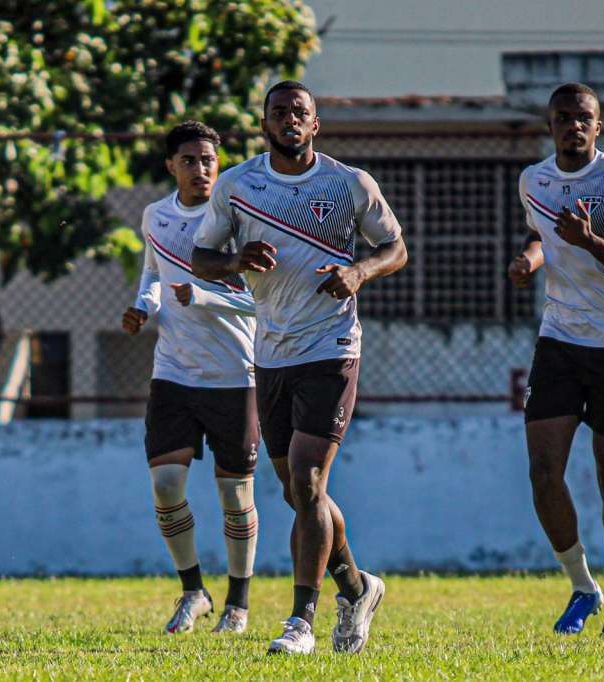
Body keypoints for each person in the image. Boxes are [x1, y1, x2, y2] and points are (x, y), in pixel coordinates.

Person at [192, 81, 407, 655]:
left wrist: (360, 273)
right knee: (295, 490)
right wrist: (235, 259)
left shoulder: (347, 183)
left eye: (300, 112)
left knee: (310, 479)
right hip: (271, 352)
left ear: (316, 125)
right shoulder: (238, 186)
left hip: (332, 347)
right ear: (264, 123)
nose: (289, 119)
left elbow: (395, 247)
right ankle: (358, 587)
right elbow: (200, 256)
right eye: (279, 111)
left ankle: (301, 623)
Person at [507, 83, 604, 636]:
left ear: (599, 124)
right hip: (559, 341)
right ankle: (582, 587)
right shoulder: (533, 180)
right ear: (550, 125)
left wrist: (590, 242)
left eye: (583, 118)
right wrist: (530, 257)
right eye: (563, 118)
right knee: (544, 474)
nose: (573, 126)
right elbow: (542, 235)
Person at [122, 120, 259, 635]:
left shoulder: (240, 219)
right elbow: (154, 275)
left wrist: (202, 296)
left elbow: (258, 301)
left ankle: (238, 604)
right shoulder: (155, 216)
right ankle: (193, 591)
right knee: (165, 482)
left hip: (235, 374)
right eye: (190, 160)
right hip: (174, 372)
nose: (201, 169)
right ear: (170, 166)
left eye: (208, 160)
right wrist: (141, 307)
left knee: (235, 494)